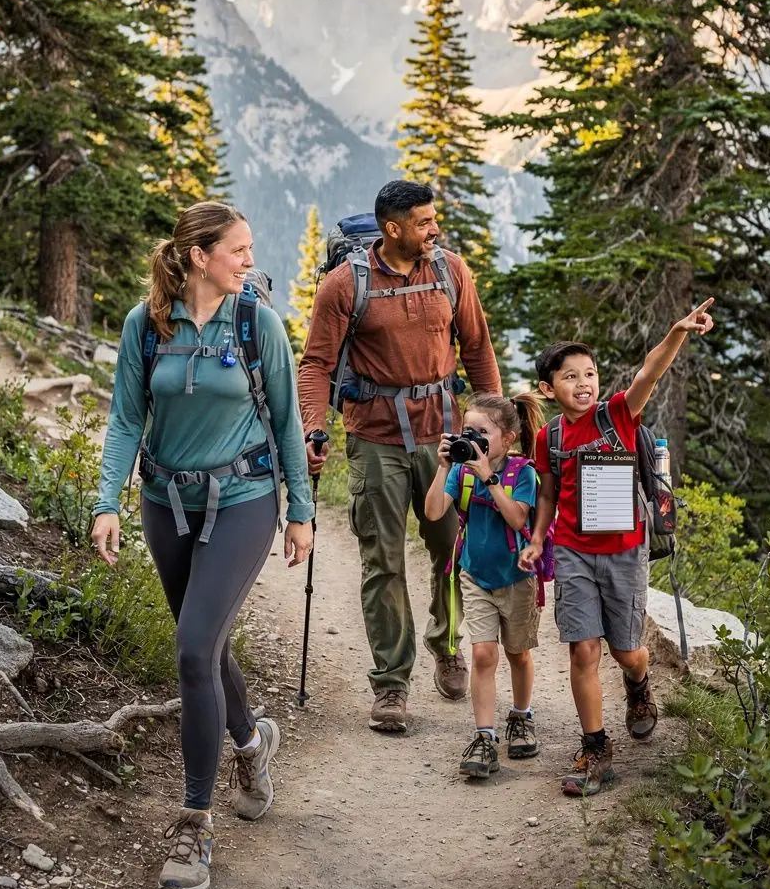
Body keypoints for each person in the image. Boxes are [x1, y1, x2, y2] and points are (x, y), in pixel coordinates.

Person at [90, 202, 314, 889]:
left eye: (249, 249)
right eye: (238, 250)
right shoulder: (145, 324)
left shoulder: (256, 322)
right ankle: (250, 746)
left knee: (192, 649)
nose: (250, 261)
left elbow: (287, 421)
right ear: (199, 256)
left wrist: (300, 512)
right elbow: (128, 418)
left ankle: (194, 822)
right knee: (207, 646)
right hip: (165, 503)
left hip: (244, 502)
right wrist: (107, 502)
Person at [298, 180, 502, 734]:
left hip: (445, 436)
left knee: (452, 549)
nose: (435, 229)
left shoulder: (450, 272)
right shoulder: (345, 286)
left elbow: (478, 348)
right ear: (392, 229)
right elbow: (315, 364)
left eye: (434, 220)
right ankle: (391, 684)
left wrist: (498, 428)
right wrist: (314, 428)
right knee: (382, 560)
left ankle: (448, 644)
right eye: (424, 222)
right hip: (375, 438)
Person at [519, 300, 715, 796]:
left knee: (627, 651)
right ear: (548, 388)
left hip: (626, 553)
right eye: (570, 377)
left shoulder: (619, 414)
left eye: (590, 373)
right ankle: (595, 748)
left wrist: (677, 332)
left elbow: (651, 370)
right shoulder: (551, 436)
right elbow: (546, 491)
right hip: (573, 552)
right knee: (583, 649)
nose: (583, 383)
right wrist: (539, 538)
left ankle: (638, 684)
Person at [424, 393, 544, 779]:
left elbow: (516, 519)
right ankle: (484, 735)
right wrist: (443, 468)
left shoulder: (522, 472)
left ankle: (521, 716)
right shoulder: (459, 472)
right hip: (474, 577)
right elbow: (432, 512)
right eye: (467, 431)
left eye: (482, 433)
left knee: (518, 653)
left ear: (507, 439)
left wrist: (489, 479)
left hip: (517, 580)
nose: (472, 439)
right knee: (483, 656)